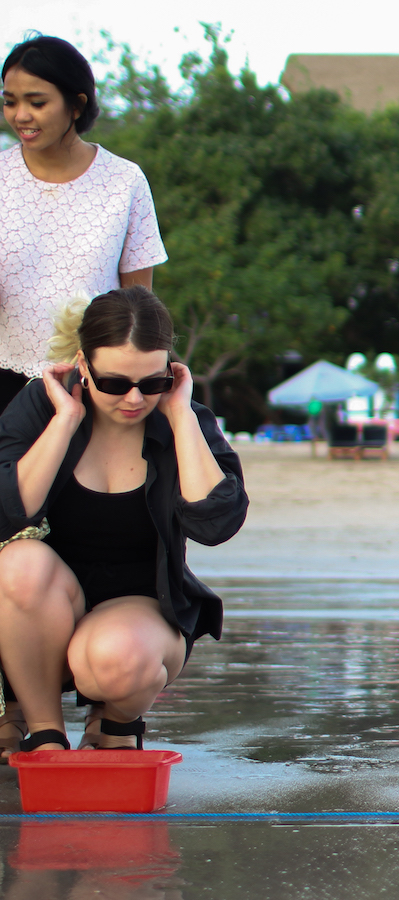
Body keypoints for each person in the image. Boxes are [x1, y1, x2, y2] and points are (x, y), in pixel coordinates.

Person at [0, 287, 246, 755]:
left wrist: (179, 415)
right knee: (19, 563)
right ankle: (46, 733)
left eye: (151, 383)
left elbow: (216, 524)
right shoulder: (44, 406)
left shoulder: (182, 418)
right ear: (82, 364)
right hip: (41, 610)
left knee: (119, 659)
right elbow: (7, 511)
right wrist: (65, 420)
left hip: (140, 613)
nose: (134, 398)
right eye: (114, 383)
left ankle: (116, 720)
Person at [1, 35, 167, 412]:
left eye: (37, 102)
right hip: (5, 384)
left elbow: (139, 305)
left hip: (97, 386)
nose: (20, 115)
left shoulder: (125, 181)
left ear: (76, 105)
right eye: (10, 102)